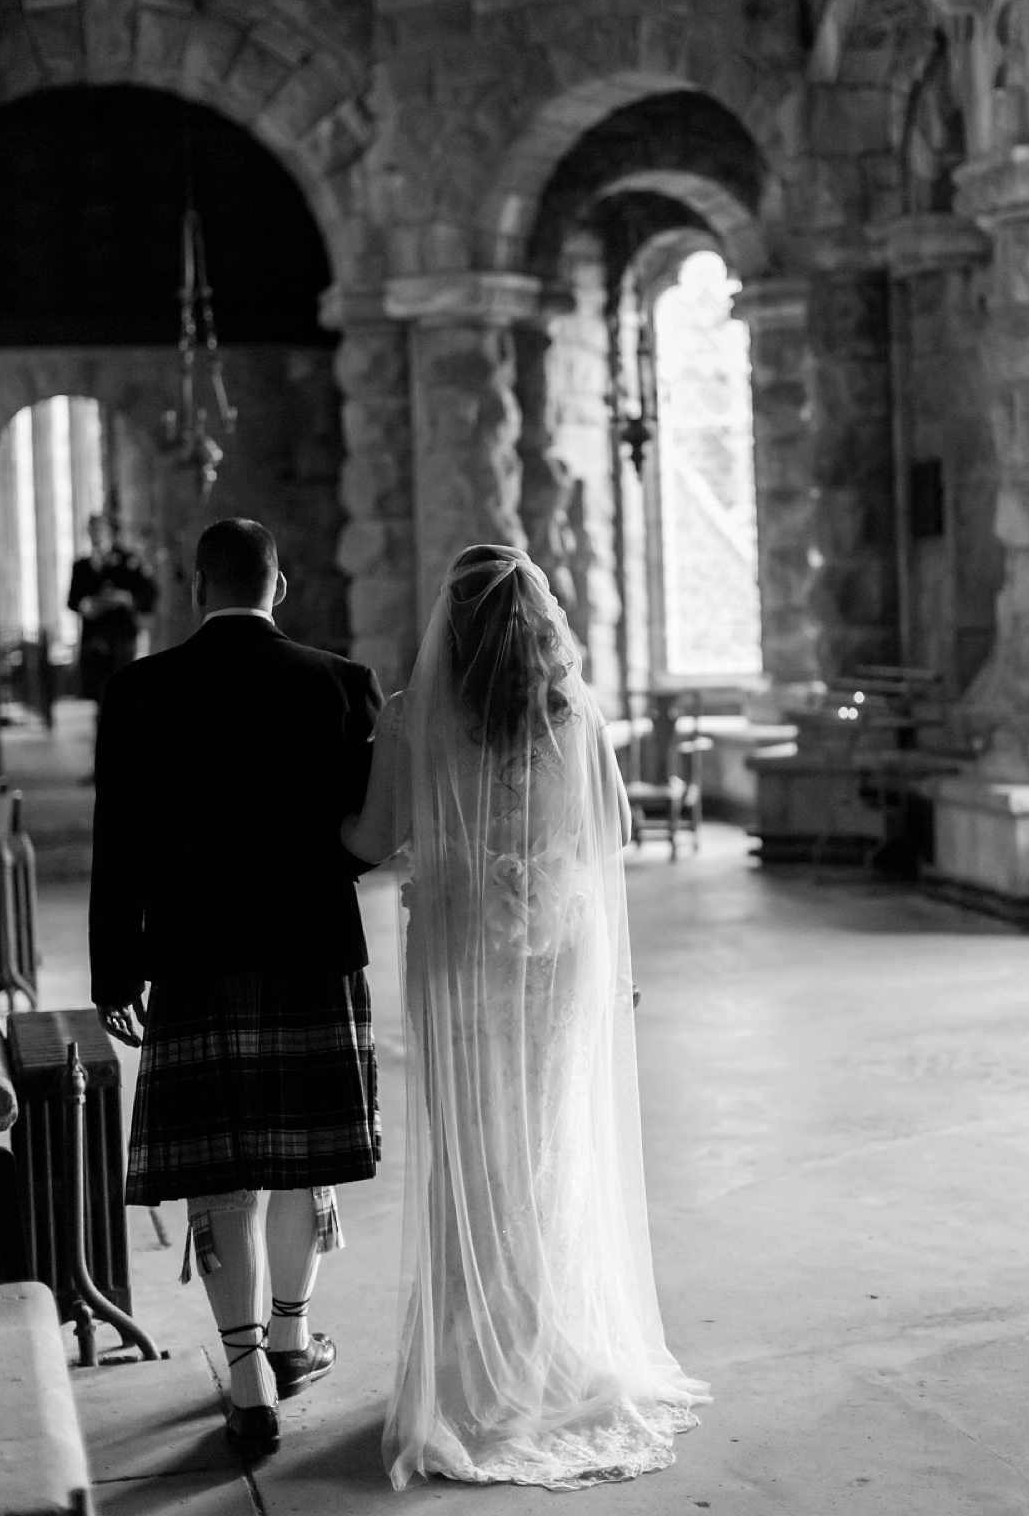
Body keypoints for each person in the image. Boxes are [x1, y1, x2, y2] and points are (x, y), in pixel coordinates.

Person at [343, 543, 708, 1490]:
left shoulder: (411, 720)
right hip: (555, 960)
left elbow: (372, 841)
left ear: (449, 628)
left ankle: (478, 1371)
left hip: (464, 959)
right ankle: (548, 1353)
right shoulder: (571, 713)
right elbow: (616, 829)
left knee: (473, 1154)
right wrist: (536, 861)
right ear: (537, 619)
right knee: (545, 1155)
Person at [89, 518, 384, 1461]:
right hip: (308, 952)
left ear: (192, 586)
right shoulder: (341, 685)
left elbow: (117, 844)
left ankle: (250, 1373)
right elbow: (360, 833)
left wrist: (113, 969)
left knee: (224, 1168)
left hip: (193, 957)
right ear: (281, 585)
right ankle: (295, 1336)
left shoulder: (138, 693)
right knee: (302, 1158)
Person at [68, 514, 157, 755]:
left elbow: (147, 595)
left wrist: (124, 598)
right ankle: (103, 758)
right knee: (100, 700)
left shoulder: (128, 561)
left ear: (110, 531)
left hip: (122, 639)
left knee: (122, 697)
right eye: (92, 530)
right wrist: (88, 605)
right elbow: (73, 600)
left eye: (101, 529)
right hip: (95, 641)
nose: (97, 535)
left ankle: (127, 753)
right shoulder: (82, 565)